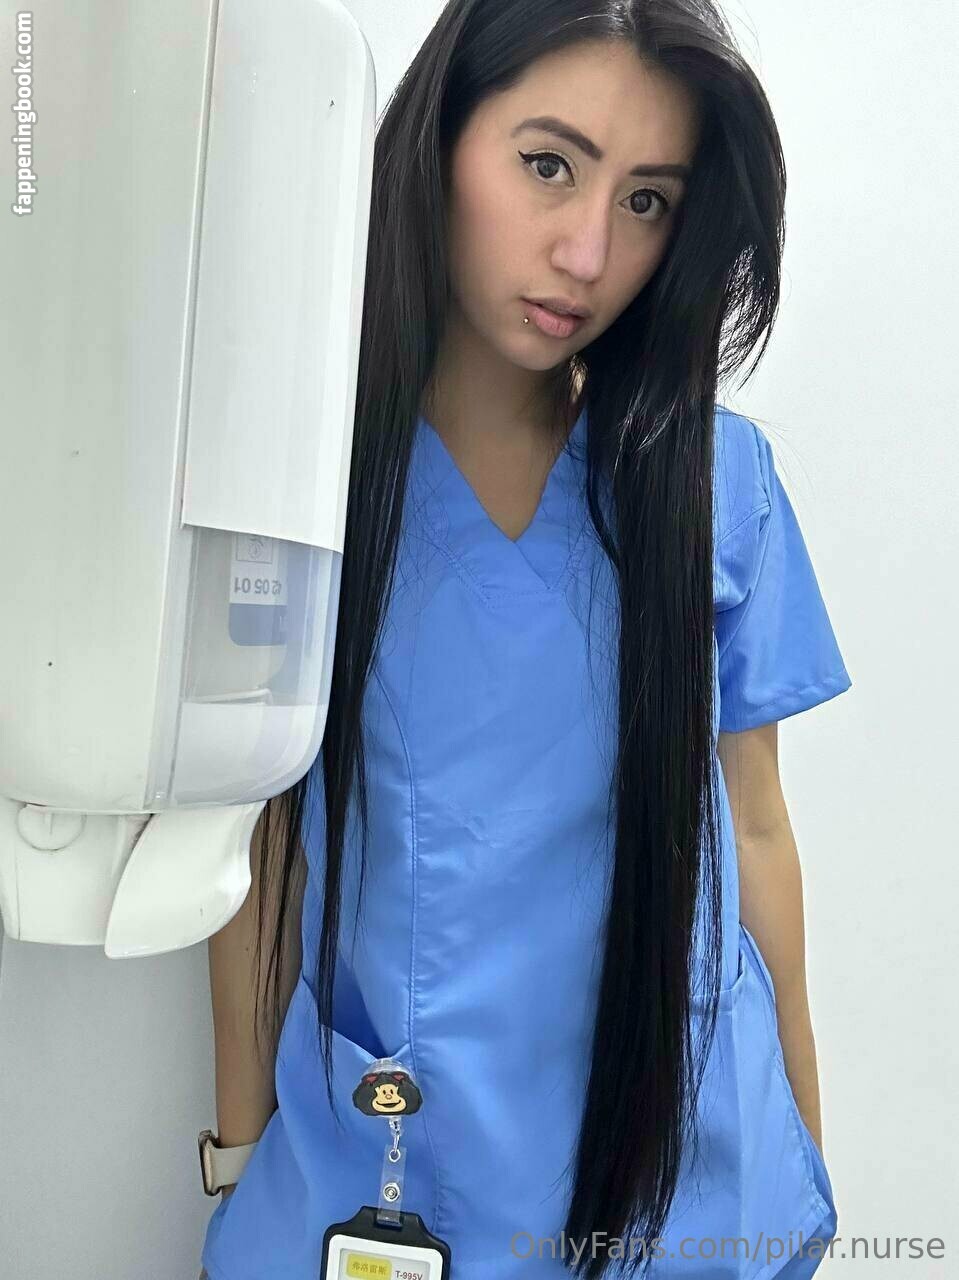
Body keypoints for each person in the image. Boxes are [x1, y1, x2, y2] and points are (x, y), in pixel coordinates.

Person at [199, 2, 853, 1277]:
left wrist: (799, 1158)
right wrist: (236, 1155)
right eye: (547, 164)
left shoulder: (713, 484)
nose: (587, 251)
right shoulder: (302, 488)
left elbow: (755, 828)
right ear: (440, 137)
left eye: (646, 200)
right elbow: (256, 843)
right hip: (390, 1161)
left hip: (684, 1174)